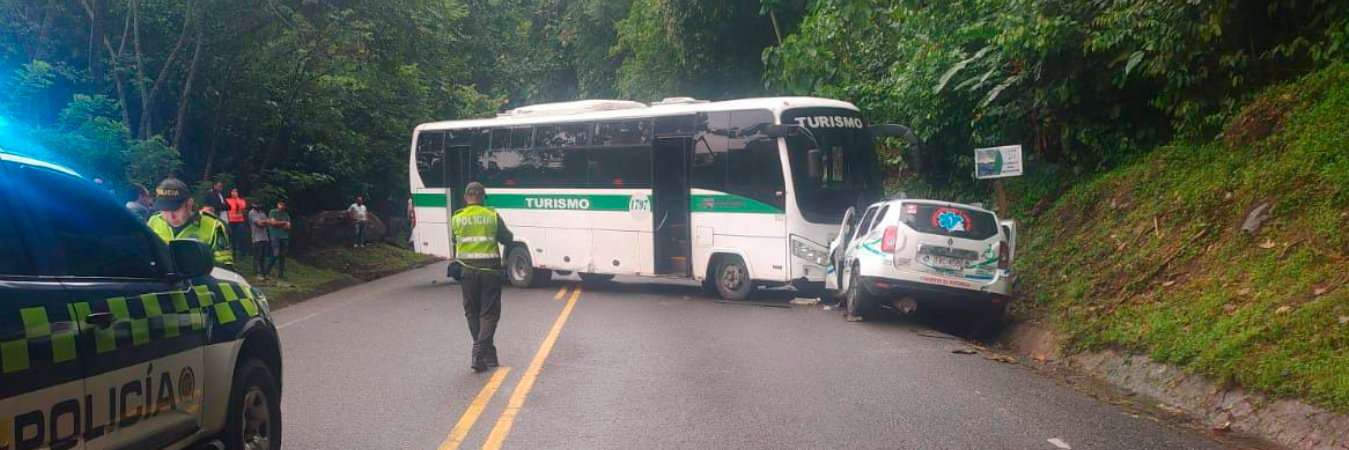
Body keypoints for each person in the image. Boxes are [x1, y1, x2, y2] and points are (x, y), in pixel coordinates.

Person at [451, 182, 514, 372]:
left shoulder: (457, 218)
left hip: (466, 272)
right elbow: (508, 239)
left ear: (465, 197)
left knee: (472, 313)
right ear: (483, 197)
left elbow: (455, 239)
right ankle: (479, 351)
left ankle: (489, 355)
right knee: (489, 314)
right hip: (490, 273)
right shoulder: (492, 216)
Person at [146, 178, 233, 267]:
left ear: (189, 203)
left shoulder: (214, 226)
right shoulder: (154, 221)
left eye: (175, 209)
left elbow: (225, 269)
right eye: (164, 210)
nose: (171, 216)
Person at [266, 200, 292, 280]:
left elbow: (288, 226)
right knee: (275, 254)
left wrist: (281, 224)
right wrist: (284, 223)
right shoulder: (272, 212)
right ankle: (266, 271)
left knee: (283, 256)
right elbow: (273, 223)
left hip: (284, 236)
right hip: (275, 236)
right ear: (277, 205)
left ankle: (281, 274)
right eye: (280, 204)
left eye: (283, 205)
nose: (282, 206)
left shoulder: (286, 214)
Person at [248, 201, 271, 279]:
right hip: (256, 238)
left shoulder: (262, 213)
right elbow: (259, 224)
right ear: (252, 204)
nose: (258, 205)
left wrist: (265, 222)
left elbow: (269, 222)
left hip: (264, 237)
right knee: (257, 257)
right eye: (256, 204)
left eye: (259, 204)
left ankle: (264, 274)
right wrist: (265, 222)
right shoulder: (252, 213)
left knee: (263, 258)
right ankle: (257, 274)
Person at [226, 188, 249, 259]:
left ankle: (242, 253)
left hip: (239, 221)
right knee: (231, 237)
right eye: (233, 191)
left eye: (236, 191)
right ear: (230, 192)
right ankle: (232, 253)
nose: (234, 193)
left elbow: (242, 207)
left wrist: (237, 199)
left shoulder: (241, 200)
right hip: (230, 221)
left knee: (240, 237)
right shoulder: (227, 200)